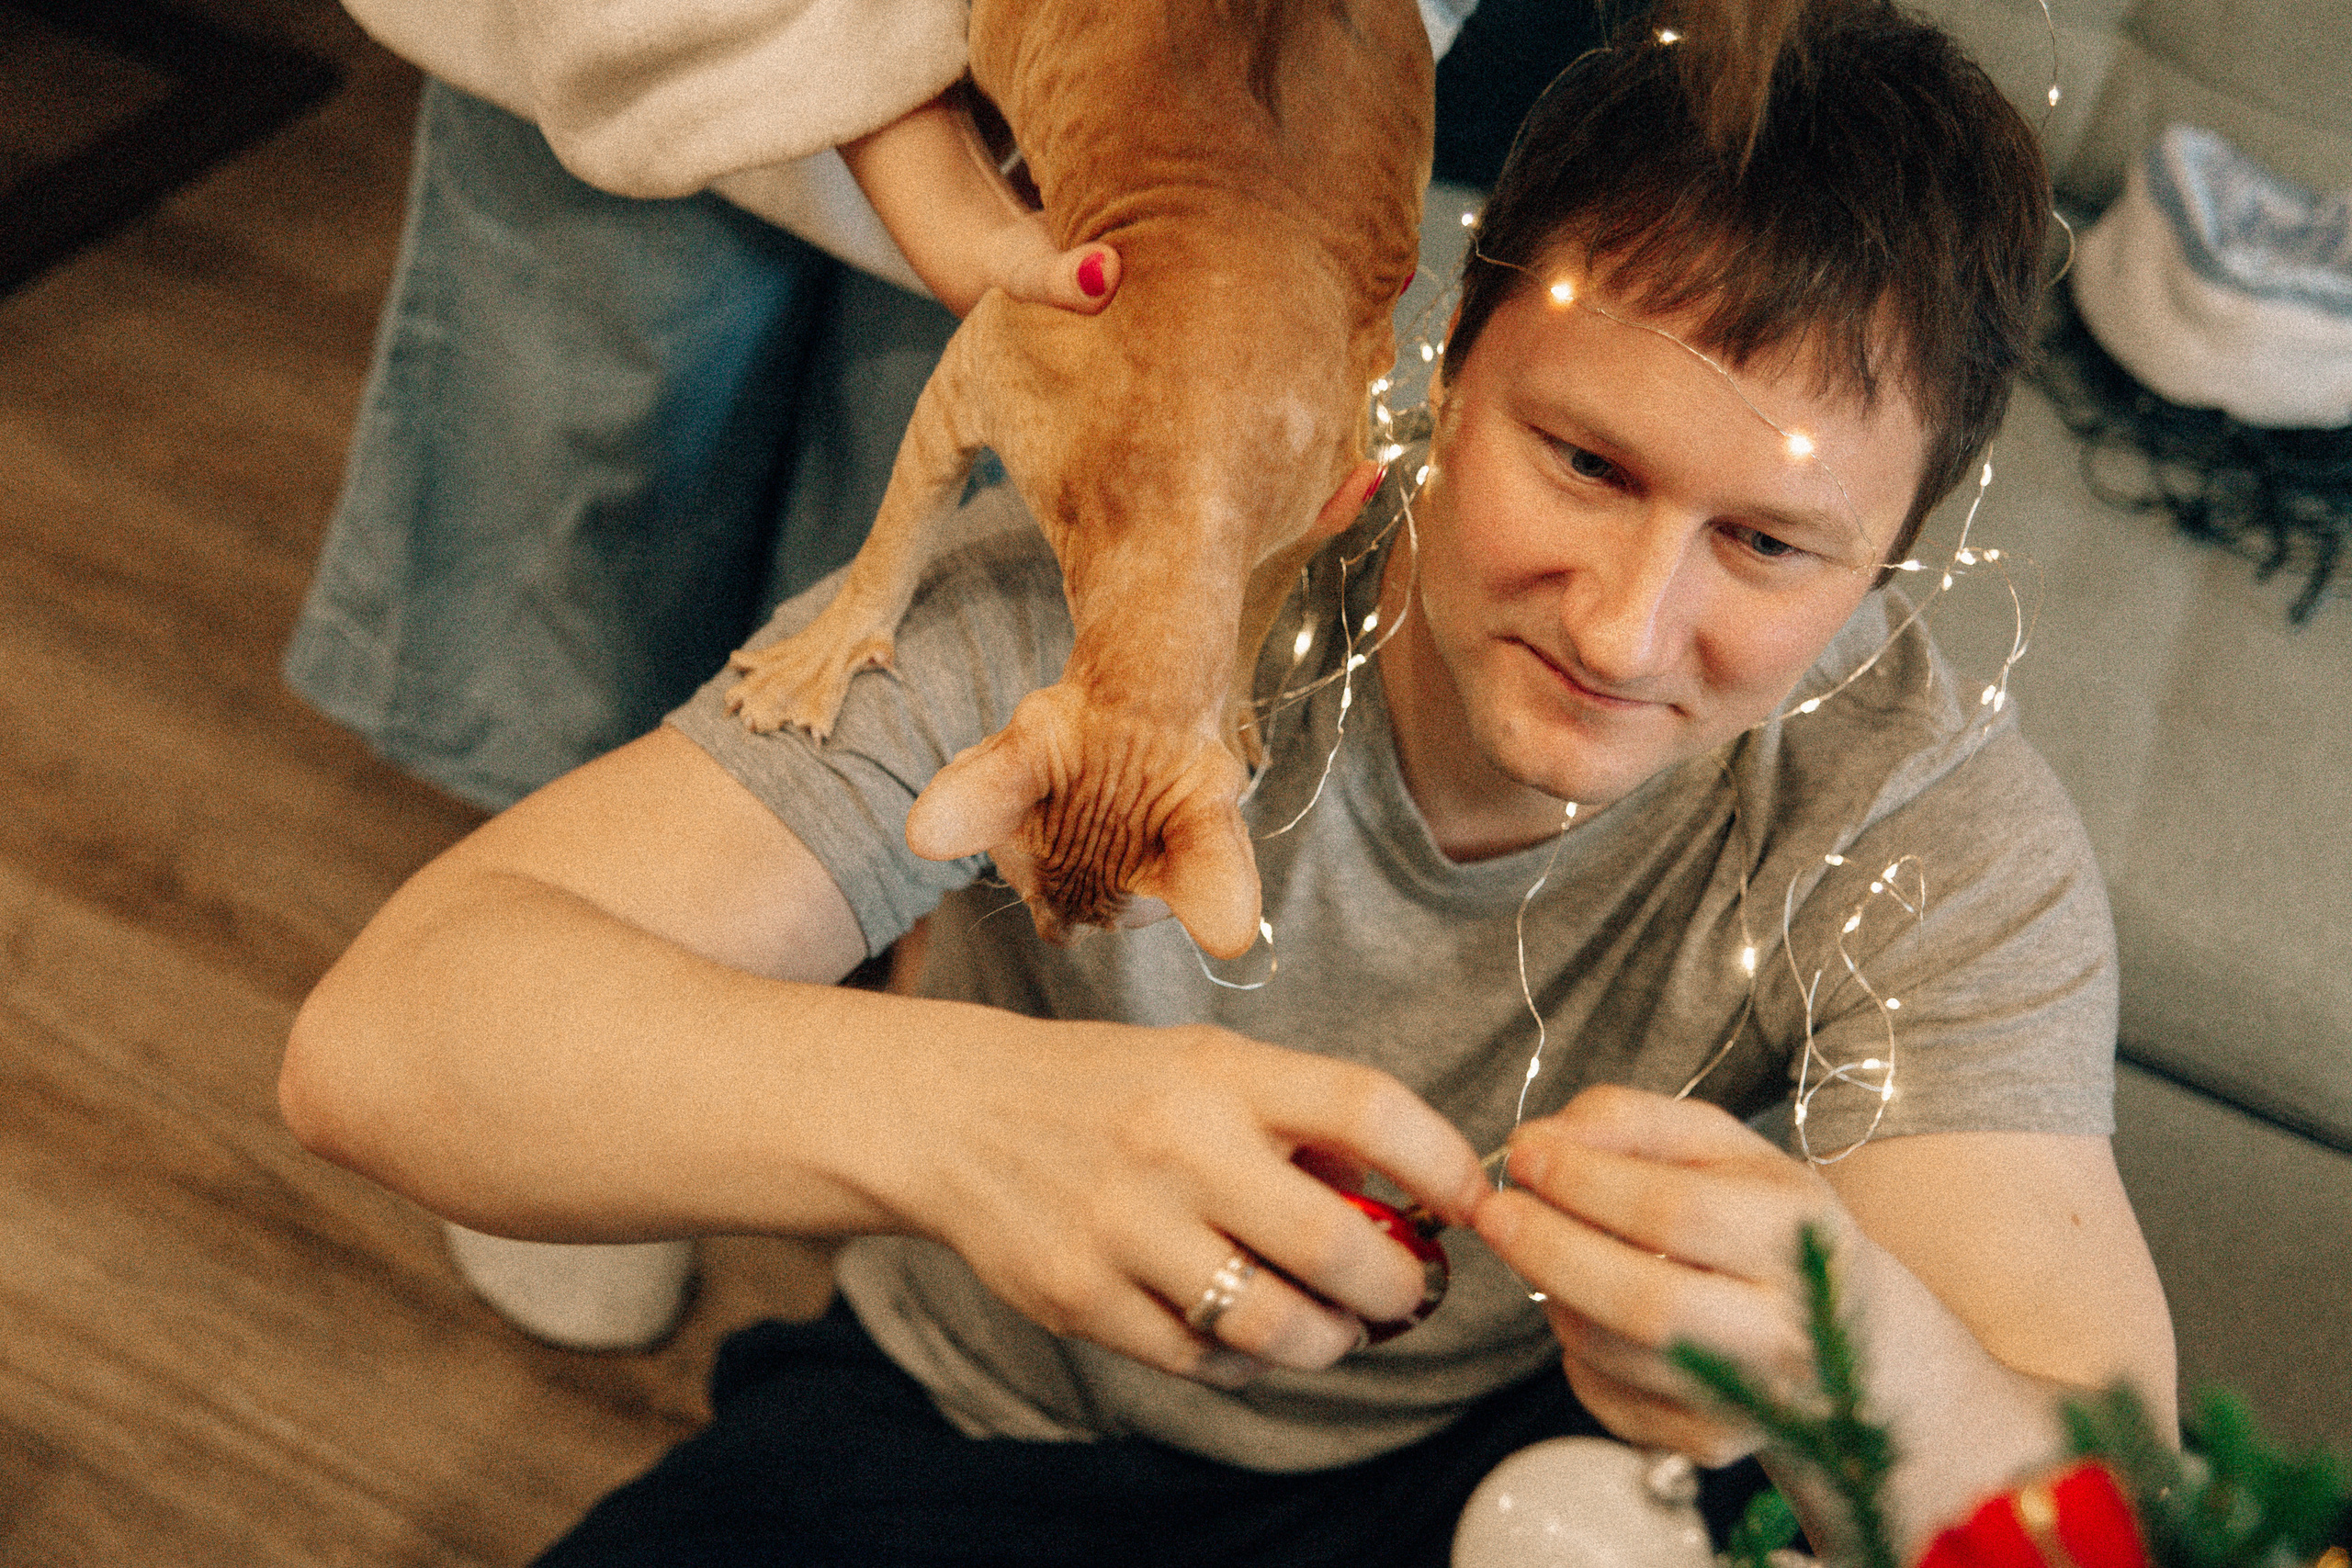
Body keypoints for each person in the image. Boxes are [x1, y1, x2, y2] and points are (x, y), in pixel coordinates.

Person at [278, 2, 2177, 1563]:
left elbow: (2123, 1497)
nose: (1621, 619)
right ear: (1430, 370)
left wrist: (1893, 1382)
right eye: (1580, 464)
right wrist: (970, 1115)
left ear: (1890, 564)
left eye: (1767, 546)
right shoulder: (1073, 595)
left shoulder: (1920, 829)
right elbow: (381, 1039)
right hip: (958, 1430)